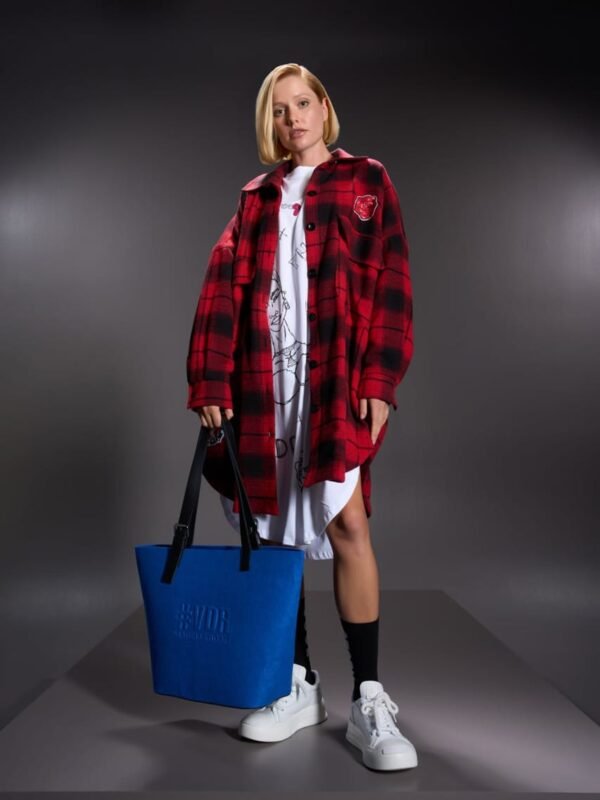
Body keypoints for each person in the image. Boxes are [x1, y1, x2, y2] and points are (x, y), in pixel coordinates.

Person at [186, 63, 416, 771]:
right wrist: (209, 378)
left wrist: (381, 378)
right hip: (265, 385)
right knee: (272, 537)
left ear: (323, 106)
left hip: (333, 385)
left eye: (303, 103)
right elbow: (221, 289)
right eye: (280, 110)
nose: (294, 119)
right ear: (271, 123)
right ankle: (296, 684)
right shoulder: (255, 198)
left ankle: (369, 699)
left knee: (349, 526)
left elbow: (392, 281)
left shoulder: (366, 181)